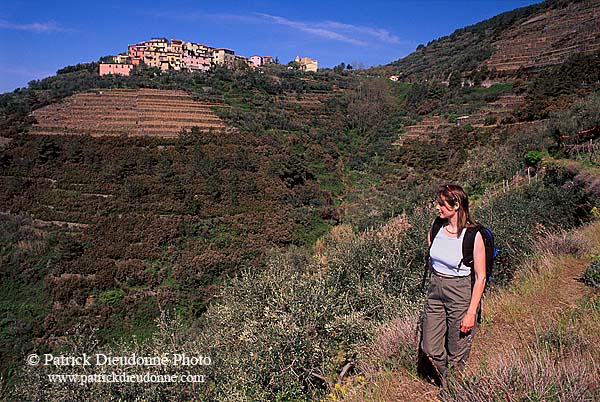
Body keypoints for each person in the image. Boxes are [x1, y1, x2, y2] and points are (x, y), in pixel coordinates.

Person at [420, 184, 486, 385]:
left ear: (456, 204)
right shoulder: (436, 227)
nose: (437, 208)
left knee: (457, 349)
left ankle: (453, 389)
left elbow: (481, 277)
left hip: (460, 291)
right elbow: (432, 256)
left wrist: (471, 312)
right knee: (429, 347)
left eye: (441, 204)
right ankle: (447, 376)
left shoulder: (473, 235)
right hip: (435, 288)